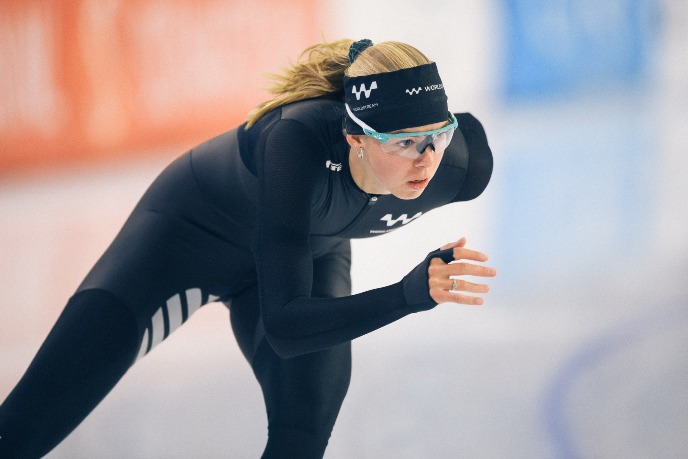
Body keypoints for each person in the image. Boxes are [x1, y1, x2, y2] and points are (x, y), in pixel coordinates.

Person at [0, 38, 495, 458]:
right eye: (404, 143)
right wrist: (405, 295)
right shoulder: (295, 140)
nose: (426, 159)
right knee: (21, 433)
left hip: (307, 258)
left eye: (438, 134)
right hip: (183, 243)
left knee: (302, 431)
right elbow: (284, 327)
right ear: (355, 138)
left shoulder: (459, 167)